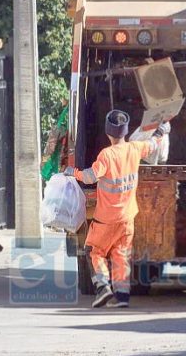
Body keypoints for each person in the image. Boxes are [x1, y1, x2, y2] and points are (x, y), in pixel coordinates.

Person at [69, 110, 169, 308]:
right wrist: (161, 130)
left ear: (108, 132)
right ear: (125, 131)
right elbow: (152, 145)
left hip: (106, 219)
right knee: (120, 254)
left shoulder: (107, 155)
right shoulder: (134, 148)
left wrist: (73, 173)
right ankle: (122, 297)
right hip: (127, 217)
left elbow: (90, 177)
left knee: (94, 251)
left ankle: (102, 287)